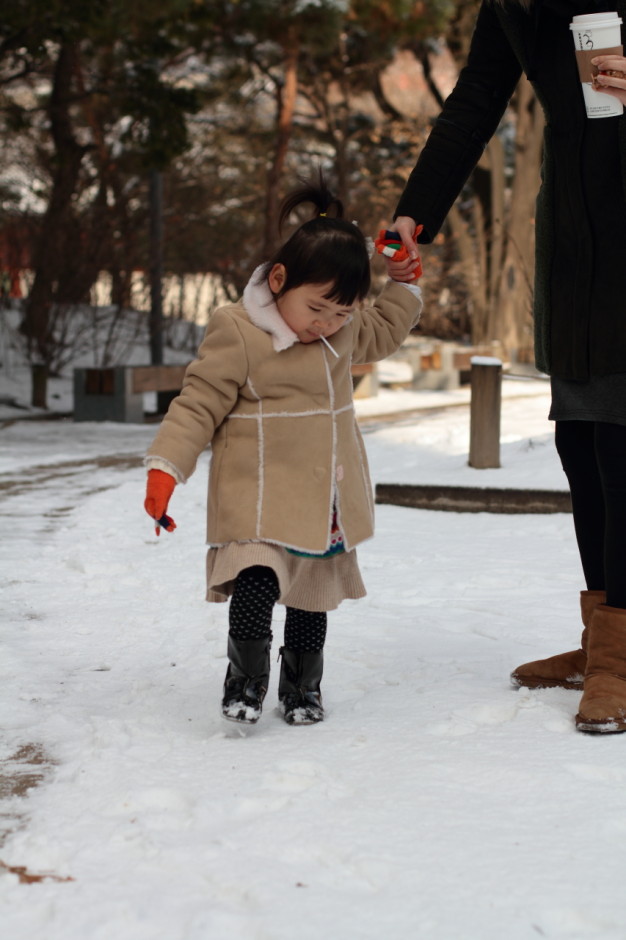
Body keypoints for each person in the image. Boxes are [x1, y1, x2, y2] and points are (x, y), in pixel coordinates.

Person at [386, 0, 626, 734]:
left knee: (619, 440)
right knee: (581, 441)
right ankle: (605, 642)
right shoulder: (515, 6)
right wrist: (414, 213)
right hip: (573, 232)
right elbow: (474, 103)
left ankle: (618, 663)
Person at [143, 175, 422, 726]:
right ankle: (244, 683)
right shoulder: (239, 330)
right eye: (318, 308)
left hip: (323, 496)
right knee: (254, 584)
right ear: (278, 280)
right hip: (257, 495)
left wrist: (403, 281)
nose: (328, 323)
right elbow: (198, 401)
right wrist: (166, 468)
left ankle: (302, 688)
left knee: (311, 600)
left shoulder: (340, 332)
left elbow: (386, 327)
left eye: (342, 314)